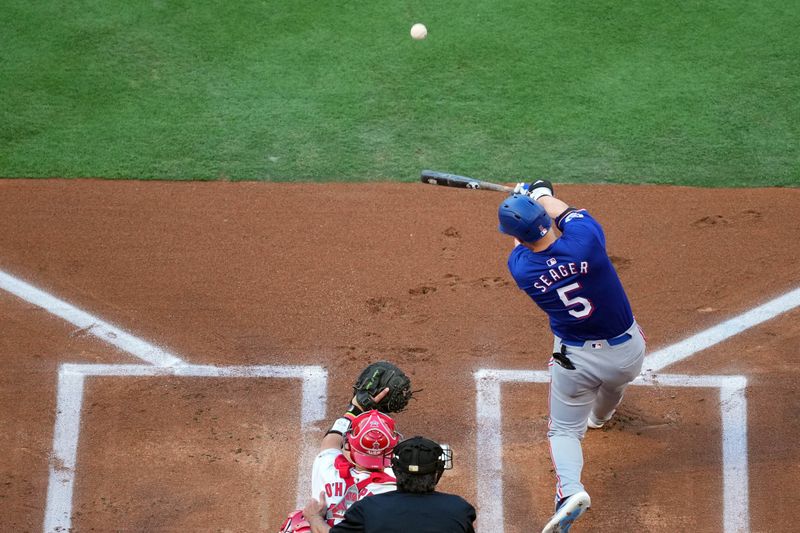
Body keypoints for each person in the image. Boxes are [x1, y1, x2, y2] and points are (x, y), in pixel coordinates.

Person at [497, 180, 646, 533]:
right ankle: (602, 415)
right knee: (615, 381)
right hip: (626, 352)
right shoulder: (587, 242)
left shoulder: (521, 268)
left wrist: (522, 201)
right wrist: (539, 191)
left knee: (564, 430)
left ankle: (570, 492)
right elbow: (561, 211)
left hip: (575, 361)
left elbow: (523, 239)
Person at [303, 436, 476, 533]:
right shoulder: (459, 509)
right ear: (437, 473)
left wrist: (314, 517)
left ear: (395, 471)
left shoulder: (368, 508)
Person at [278, 401, 400, 532]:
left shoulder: (328, 469)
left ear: (349, 445)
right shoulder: (397, 489)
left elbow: (331, 440)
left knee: (299, 523)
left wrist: (354, 409)